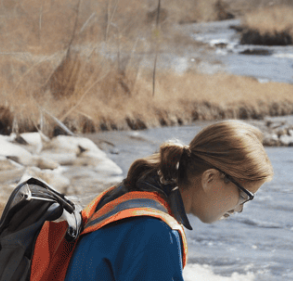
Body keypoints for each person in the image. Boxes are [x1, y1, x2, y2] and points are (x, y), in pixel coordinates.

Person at [64, 120, 273, 280]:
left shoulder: (129, 196)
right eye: (244, 196)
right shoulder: (156, 232)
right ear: (210, 178)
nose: (240, 209)